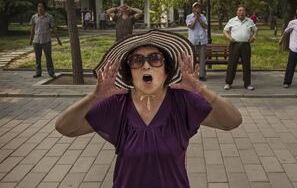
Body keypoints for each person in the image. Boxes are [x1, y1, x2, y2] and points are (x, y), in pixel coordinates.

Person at [55, 30, 242, 188]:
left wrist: (201, 90)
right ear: (130, 73)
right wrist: (95, 96)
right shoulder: (117, 105)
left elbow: (232, 121)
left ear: (166, 70)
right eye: (137, 60)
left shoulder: (183, 101)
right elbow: (65, 127)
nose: (146, 65)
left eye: (155, 59)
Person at [223, 5, 257, 90]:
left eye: (243, 11)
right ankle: (228, 83)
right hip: (234, 44)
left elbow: (255, 30)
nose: (241, 12)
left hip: (245, 45)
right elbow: (225, 30)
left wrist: (253, 37)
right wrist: (229, 37)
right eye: (240, 11)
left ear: (245, 12)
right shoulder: (232, 20)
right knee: (232, 64)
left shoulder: (249, 21)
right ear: (237, 12)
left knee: (246, 65)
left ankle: (247, 84)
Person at [29, 1, 62, 78]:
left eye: (41, 6)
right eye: (38, 6)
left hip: (46, 40)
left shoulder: (49, 17)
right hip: (36, 40)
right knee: (37, 57)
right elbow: (32, 29)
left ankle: (51, 72)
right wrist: (31, 39)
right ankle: (38, 72)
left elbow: (53, 29)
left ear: (44, 8)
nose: (40, 8)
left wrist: (58, 39)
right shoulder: (34, 17)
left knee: (48, 57)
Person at [186, 2, 208, 81]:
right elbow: (191, 26)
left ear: (200, 9)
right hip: (193, 41)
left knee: (202, 59)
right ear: (192, 9)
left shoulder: (203, 17)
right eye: (195, 8)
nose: (197, 9)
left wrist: (199, 18)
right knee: (192, 59)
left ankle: (202, 75)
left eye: (198, 7)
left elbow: (205, 26)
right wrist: (195, 18)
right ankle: (192, 75)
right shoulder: (189, 17)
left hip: (202, 40)